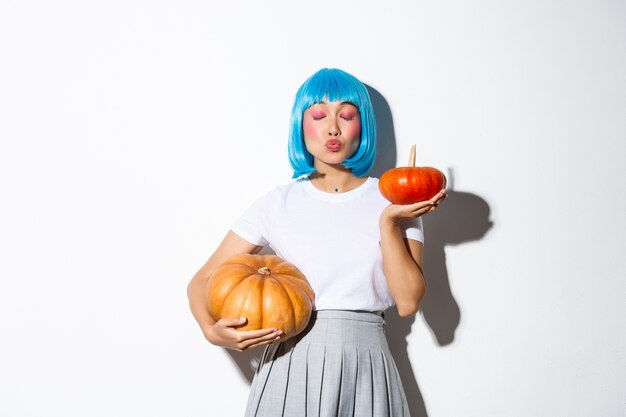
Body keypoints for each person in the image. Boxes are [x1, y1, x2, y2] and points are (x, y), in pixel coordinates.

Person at [187, 68, 447, 417]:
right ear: (301, 125)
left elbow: (407, 301)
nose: (333, 127)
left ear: (362, 125)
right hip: (290, 361)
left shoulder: (395, 200)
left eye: (347, 114)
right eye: (319, 114)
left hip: (365, 361)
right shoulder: (278, 203)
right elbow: (202, 280)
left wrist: (389, 223)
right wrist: (211, 331)